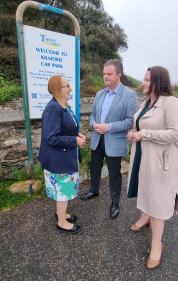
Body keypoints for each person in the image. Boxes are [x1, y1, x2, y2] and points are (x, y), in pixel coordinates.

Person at [126, 66, 178, 269]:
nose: (143, 83)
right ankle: (144, 218)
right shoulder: (147, 102)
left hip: (161, 161)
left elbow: (177, 133)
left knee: (158, 201)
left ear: (158, 81)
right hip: (142, 156)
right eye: (143, 79)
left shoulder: (172, 103)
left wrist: (145, 134)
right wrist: (133, 133)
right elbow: (140, 125)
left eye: (147, 79)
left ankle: (156, 245)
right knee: (144, 190)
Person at [80, 59, 138, 218]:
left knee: (114, 173)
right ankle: (94, 191)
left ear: (119, 74)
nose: (105, 77)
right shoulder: (99, 94)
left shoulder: (130, 95)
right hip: (97, 138)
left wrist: (109, 127)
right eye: (104, 73)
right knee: (94, 167)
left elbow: (130, 121)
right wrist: (93, 125)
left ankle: (115, 202)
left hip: (115, 140)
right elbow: (92, 116)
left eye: (109, 74)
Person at [38, 75, 86, 234]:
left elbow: (67, 128)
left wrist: (77, 136)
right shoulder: (54, 108)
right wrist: (74, 141)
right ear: (58, 89)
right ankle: (62, 222)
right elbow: (51, 137)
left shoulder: (64, 106)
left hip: (63, 158)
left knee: (62, 191)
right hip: (59, 161)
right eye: (67, 86)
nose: (71, 89)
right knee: (62, 192)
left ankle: (62, 214)